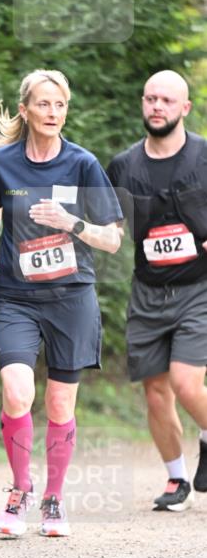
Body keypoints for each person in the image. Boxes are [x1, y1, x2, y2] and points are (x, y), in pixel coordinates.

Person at [0, 69, 122, 538]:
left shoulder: (83, 164)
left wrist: (71, 223)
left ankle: (53, 499)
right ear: (25, 109)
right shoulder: (2, 161)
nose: (53, 113)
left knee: (60, 404)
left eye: (60, 105)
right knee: (18, 390)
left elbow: (114, 239)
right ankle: (19, 491)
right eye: (43, 104)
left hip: (70, 297)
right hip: (17, 296)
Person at [107, 70, 207, 512]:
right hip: (147, 291)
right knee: (156, 391)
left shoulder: (205, 155)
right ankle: (176, 479)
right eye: (150, 99)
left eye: (167, 100)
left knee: (187, 384)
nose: (157, 107)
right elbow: (111, 231)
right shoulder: (123, 166)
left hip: (198, 287)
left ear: (184, 108)